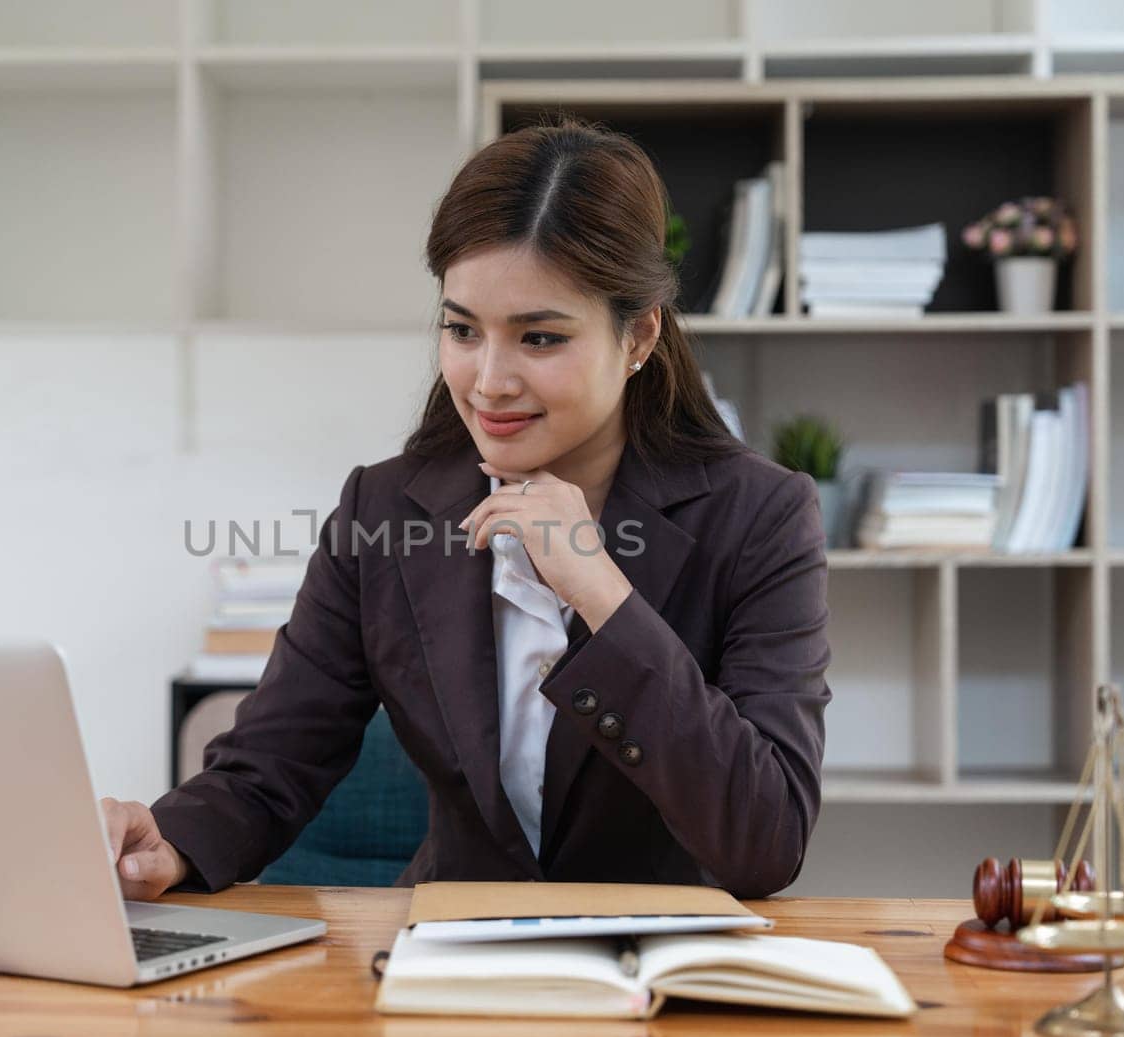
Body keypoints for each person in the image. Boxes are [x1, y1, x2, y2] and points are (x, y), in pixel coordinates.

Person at [102, 118, 831, 900]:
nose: (488, 381)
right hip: (448, 966)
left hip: (663, 976)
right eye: (461, 329)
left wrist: (601, 594)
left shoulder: (760, 516)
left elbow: (767, 838)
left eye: (540, 338)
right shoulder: (383, 509)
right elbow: (273, 760)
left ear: (639, 335)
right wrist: (170, 839)